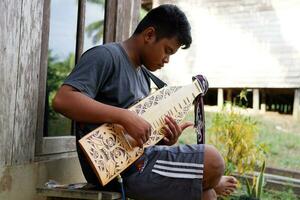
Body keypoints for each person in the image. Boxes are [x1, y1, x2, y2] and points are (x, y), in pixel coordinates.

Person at [53, 4, 237, 200]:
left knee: (206, 195)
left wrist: (166, 140)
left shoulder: (143, 77)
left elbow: (135, 138)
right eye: (167, 50)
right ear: (149, 35)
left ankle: (210, 183)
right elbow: (63, 100)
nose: (166, 60)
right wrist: (124, 116)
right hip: (118, 170)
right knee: (213, 161)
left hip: (141, 161)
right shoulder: (106, 56)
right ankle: (212, 180)